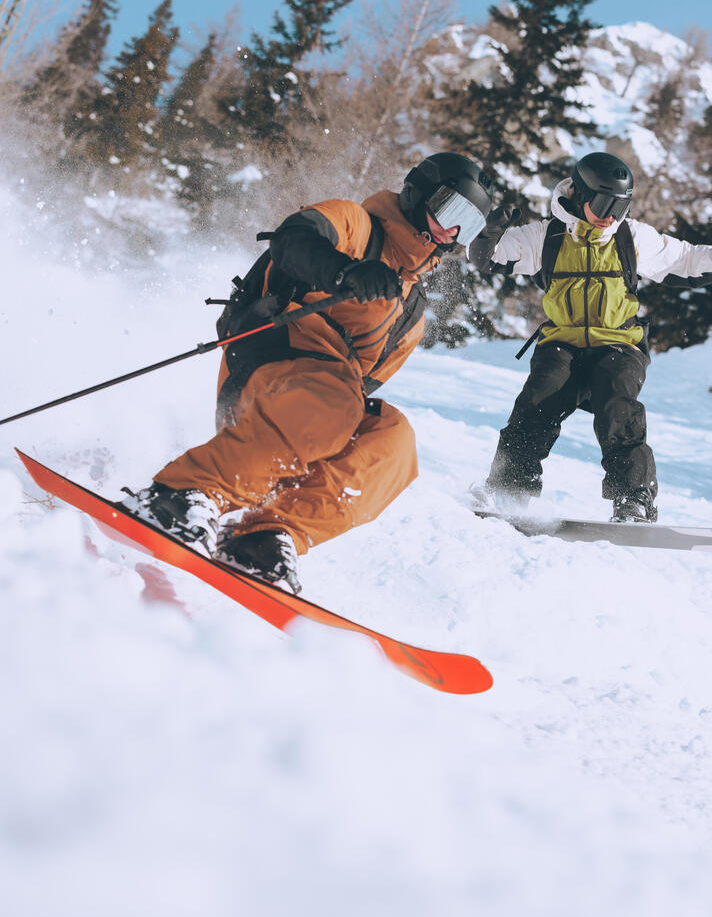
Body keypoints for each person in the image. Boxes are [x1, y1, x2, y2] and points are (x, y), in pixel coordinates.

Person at [121, 152, 494, 591]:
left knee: (393, 442)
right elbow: (291, 240)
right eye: (449, 210)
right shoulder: (356, 223)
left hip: (312, 413)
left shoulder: (411, 312)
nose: (450, 231)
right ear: (416, 193)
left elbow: (365, 384)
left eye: (467, 227)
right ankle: (181, 494)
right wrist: (345, 271)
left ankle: (264, 536)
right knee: (332, 400)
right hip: (269, 353)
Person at [468, 151, 712, 522]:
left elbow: (690, 261)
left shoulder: (630, 237)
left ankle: (634, 500)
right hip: (562, 343)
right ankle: (508, 489)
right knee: (536, 403)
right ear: (579, 194)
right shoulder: (546, 236)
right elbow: (487, 258)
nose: (610, 215)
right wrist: (489, 232)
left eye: (620, 206)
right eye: (604, 203)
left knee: (617, 407)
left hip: (619, 345)